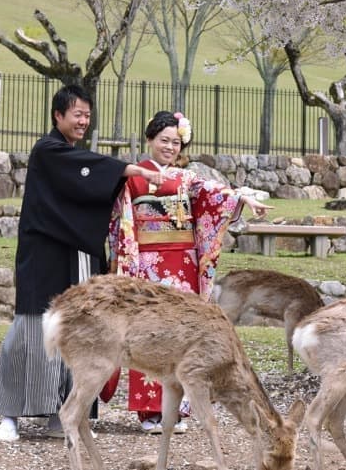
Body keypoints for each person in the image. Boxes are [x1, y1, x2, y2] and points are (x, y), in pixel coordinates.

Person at [0, 85, 163, 443]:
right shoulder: (48, 150)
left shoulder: (71, 155)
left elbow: (90, 185)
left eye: (87, 114)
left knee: (76, 329)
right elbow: (88, 169)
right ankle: (10, 414)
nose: (84, 120)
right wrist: (129, 168)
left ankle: (62, 413)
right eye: (77, 114)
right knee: (32, 327)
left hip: (75, 253)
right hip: (43, 255)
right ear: (58, 116)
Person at [107, 110, 271, 433]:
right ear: (150, 139)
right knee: (149, 333)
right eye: (164, 140)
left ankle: (177, 410)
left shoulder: (187, 179)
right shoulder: (134, 177)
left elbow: (215, 195)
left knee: (183, 335)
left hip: (183, 264)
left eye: (176, 142)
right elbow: (122, 222)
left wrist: (242, 198)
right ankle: (150, 410)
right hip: (148, 263)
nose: (170, 147)